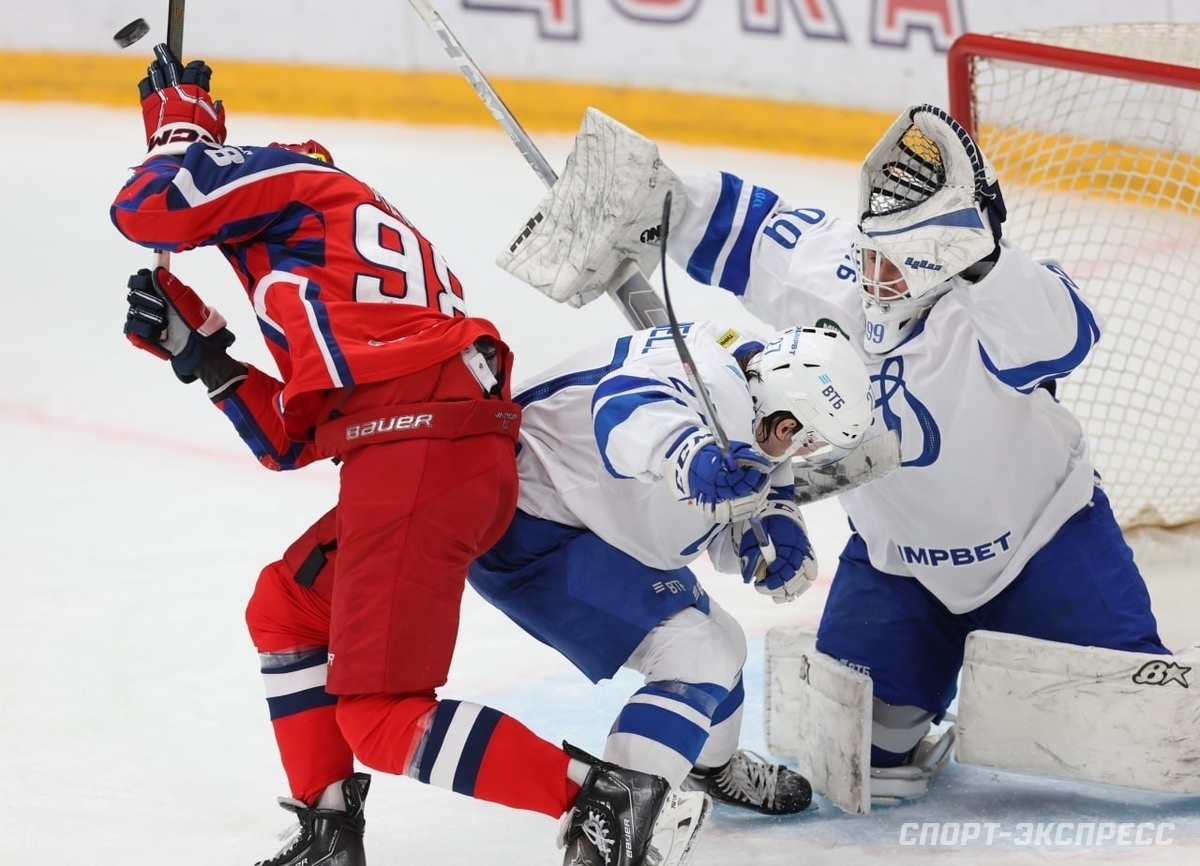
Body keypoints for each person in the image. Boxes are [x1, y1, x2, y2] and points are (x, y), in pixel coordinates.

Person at [110, 44, 709, 866]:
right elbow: (291, 441)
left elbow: (147, 207)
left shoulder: (298, 185)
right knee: (283, 605)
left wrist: (180, 130)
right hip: (429, 453)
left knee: (381, 716)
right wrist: (204, 353)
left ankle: (602, 797)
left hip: (421, 457)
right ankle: (329, 835)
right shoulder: (322, 266)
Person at [493, 104, 1169, 789]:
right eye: (871, 250)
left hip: (1045, 546)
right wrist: (648, 198)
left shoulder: (998, 313)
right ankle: (919, 697)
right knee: (857, 760)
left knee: (1150, 729)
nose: (874, 274)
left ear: (956, 257)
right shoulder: (834, 270)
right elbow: (744, 227)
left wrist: (986, 257)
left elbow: (1066, 335)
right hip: (899, 565)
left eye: (899, 263)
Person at [468, 319, 874, 814]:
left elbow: (736, 480)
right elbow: (625, 403)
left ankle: (709, 769)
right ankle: (611, 822)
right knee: (697, 652)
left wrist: (770, 521)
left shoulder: (755, 388)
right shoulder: (712, 378)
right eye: (806, 441)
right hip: (530, 529)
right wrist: (687, 455)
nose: (800, 453)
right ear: (788, 424)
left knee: (721, 641)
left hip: (580, 519)